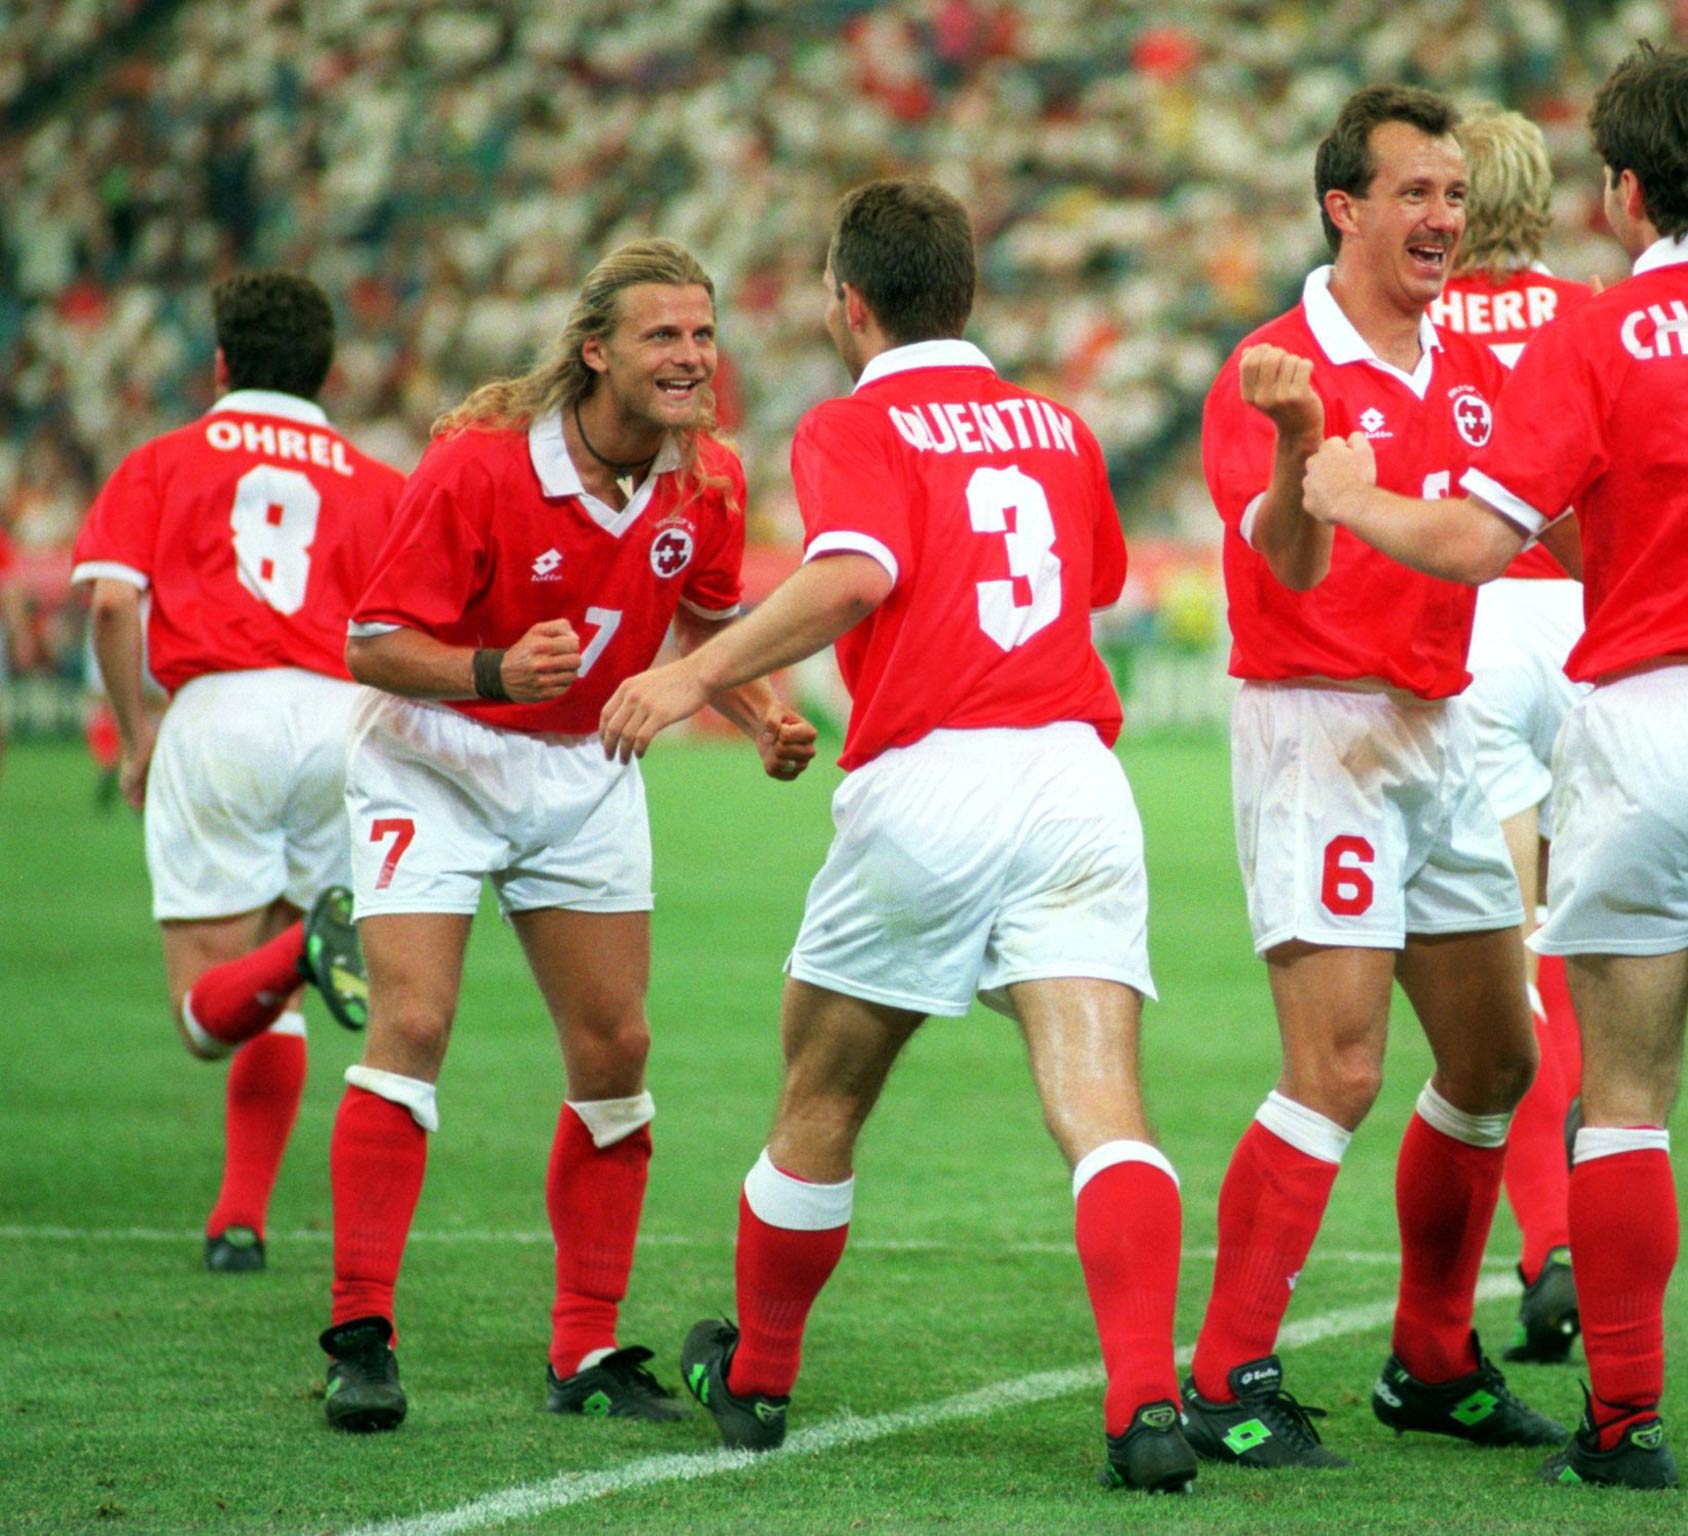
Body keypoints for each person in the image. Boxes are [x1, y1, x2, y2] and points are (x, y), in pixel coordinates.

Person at [1300, 45, 1688, 1515]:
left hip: (1644, 717)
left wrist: (1344, 491)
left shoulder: (1610, 333)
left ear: (1629, 192)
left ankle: (1625, 1421)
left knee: (1627, 1094)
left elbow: (1473, 541)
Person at [601, 179, 1192, 1494]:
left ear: (850, 305)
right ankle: (1147, 1404)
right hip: (1076, 781)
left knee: (822, 1095)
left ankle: (754, 1380)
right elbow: (1086, 584)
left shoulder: (853, 421)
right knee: (1102, 1105)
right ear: (966, 294)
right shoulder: (1056, 424)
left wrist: (697, 678)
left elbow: (857, 571)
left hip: (936, 781)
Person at [319, 238, 817, 1433]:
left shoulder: (708, 479)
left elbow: (704, 619)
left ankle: (585, 1350)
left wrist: (760, 714)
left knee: (616, 1051)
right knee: (417, 1022)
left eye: (702, 334)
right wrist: (492, 667)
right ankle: (359, 1334)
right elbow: (370, 645)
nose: (691, 357)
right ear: (596, 350)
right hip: (429, 759)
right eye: (663, 335)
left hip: (588, 763)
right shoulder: (479, 465)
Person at [1181, 82, 1567, 1471]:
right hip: (1317, 734)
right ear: (1345, 207)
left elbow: (1526, 528)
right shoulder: (1275, 365)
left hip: (1440, 730)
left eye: (1456, 197)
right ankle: (1226, 1377)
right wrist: (1299, 457)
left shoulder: (1468, 362)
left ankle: (1431, 1354)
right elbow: (1281, 564)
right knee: (1337, 1067)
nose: (1445, 220)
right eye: (1417, 194)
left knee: (1499, 1054)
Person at [70, 271, 397, 1274]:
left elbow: (114, 607)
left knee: (203, 1013)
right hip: (344, 719)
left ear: (220, 364)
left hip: (219, 711)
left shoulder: (166, 459)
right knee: (275, 992)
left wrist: (135, 738)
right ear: (328, 371)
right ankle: (238, 1219)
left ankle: (301, 957)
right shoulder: (375, 478)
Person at [1429, 105, 1597, 1366]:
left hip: (1471, 627)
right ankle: (1583, 1235)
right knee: (1591, 954)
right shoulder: (1594, 313)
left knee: (1512, 942)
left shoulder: (1406, 314)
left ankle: (1544, 1245)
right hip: (1591, 622)